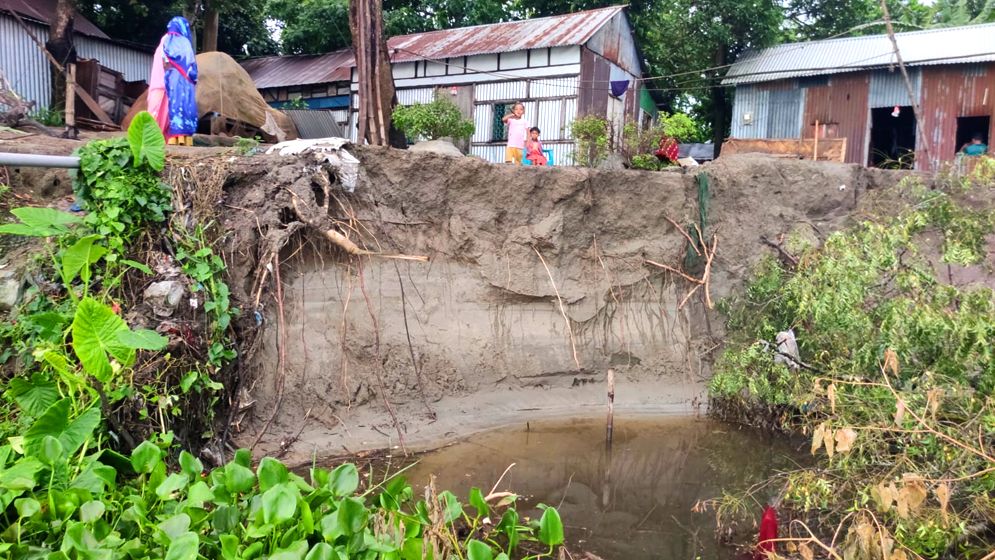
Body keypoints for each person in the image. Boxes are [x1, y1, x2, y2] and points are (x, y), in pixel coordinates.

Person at [156, 17, 198, 146]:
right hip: (186, 82)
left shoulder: (167, 41)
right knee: (188, 106)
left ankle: (174, 138)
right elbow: (192, 66)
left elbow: (164, 63)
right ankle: (187, 140)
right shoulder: (186, 43)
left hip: (172, 79)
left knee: (175, 106)